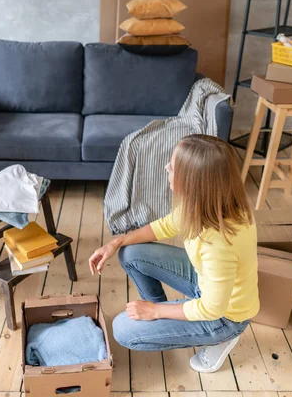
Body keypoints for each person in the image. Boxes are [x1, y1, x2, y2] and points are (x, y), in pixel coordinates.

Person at [89, 134, 259, 373]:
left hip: (225, 317)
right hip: (209, 286)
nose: (166, 167)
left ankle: (219, 338)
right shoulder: (208, 202)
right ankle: (164, 317)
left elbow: (212, 308)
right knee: (130, 252)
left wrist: (155, 312)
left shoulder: (218, 242)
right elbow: (165, 226)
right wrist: (115, 243)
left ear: (193, 180)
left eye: (172, 167)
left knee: (123, 331)